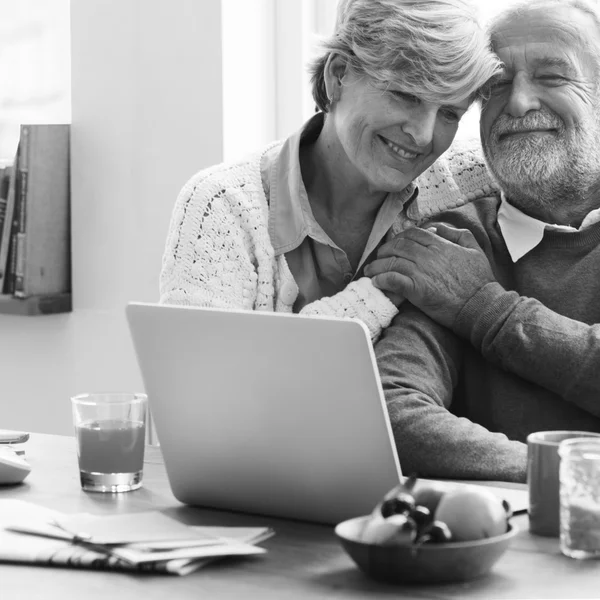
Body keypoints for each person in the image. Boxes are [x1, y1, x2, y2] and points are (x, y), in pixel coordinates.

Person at [159, 0, 500, 340]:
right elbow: (204, 385)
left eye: (449, 113)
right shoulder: (221, 207)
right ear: (338, 75)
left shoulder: (475, 178)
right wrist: (379, 293)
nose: (423, 135)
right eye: (406, 95)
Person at [365, 0, 600, 482]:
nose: (517, 102)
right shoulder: (453, 244)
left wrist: (486, 308)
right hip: (500, 543)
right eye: (495, 85)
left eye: (553, 77)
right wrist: (561, 476)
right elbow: (391, 409)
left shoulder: (465, 283)